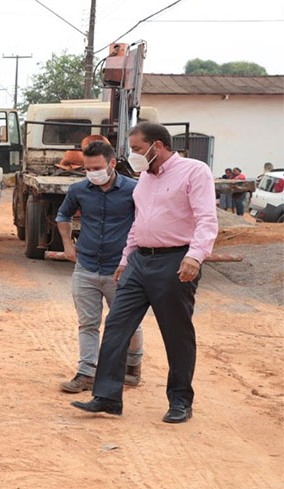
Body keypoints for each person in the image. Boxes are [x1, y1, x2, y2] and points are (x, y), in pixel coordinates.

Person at [72, 122, 217, 424]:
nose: (134, 155)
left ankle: (180, 401)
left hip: (176, 261)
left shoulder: (194, 171)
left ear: (158, 146)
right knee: (116, 325)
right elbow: (139, 222)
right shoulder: (145, 178)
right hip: (139, 261)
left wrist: (196, 256)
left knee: (176, 333)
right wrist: (126, 257)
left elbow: (206, 218)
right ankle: (107, 397)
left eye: (138, 149)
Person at [56, 140, 144, 393]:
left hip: (122, 269)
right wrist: (67, 245)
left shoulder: (134, 190)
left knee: (129, 323)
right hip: (86, 267)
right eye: (87, 168)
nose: (91, 172)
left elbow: (146, 221)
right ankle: (86, 372)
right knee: (88, 323)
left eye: (96, 167)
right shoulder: (78, 190)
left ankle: (132, 365)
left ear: (112, 163)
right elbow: (63, 215)